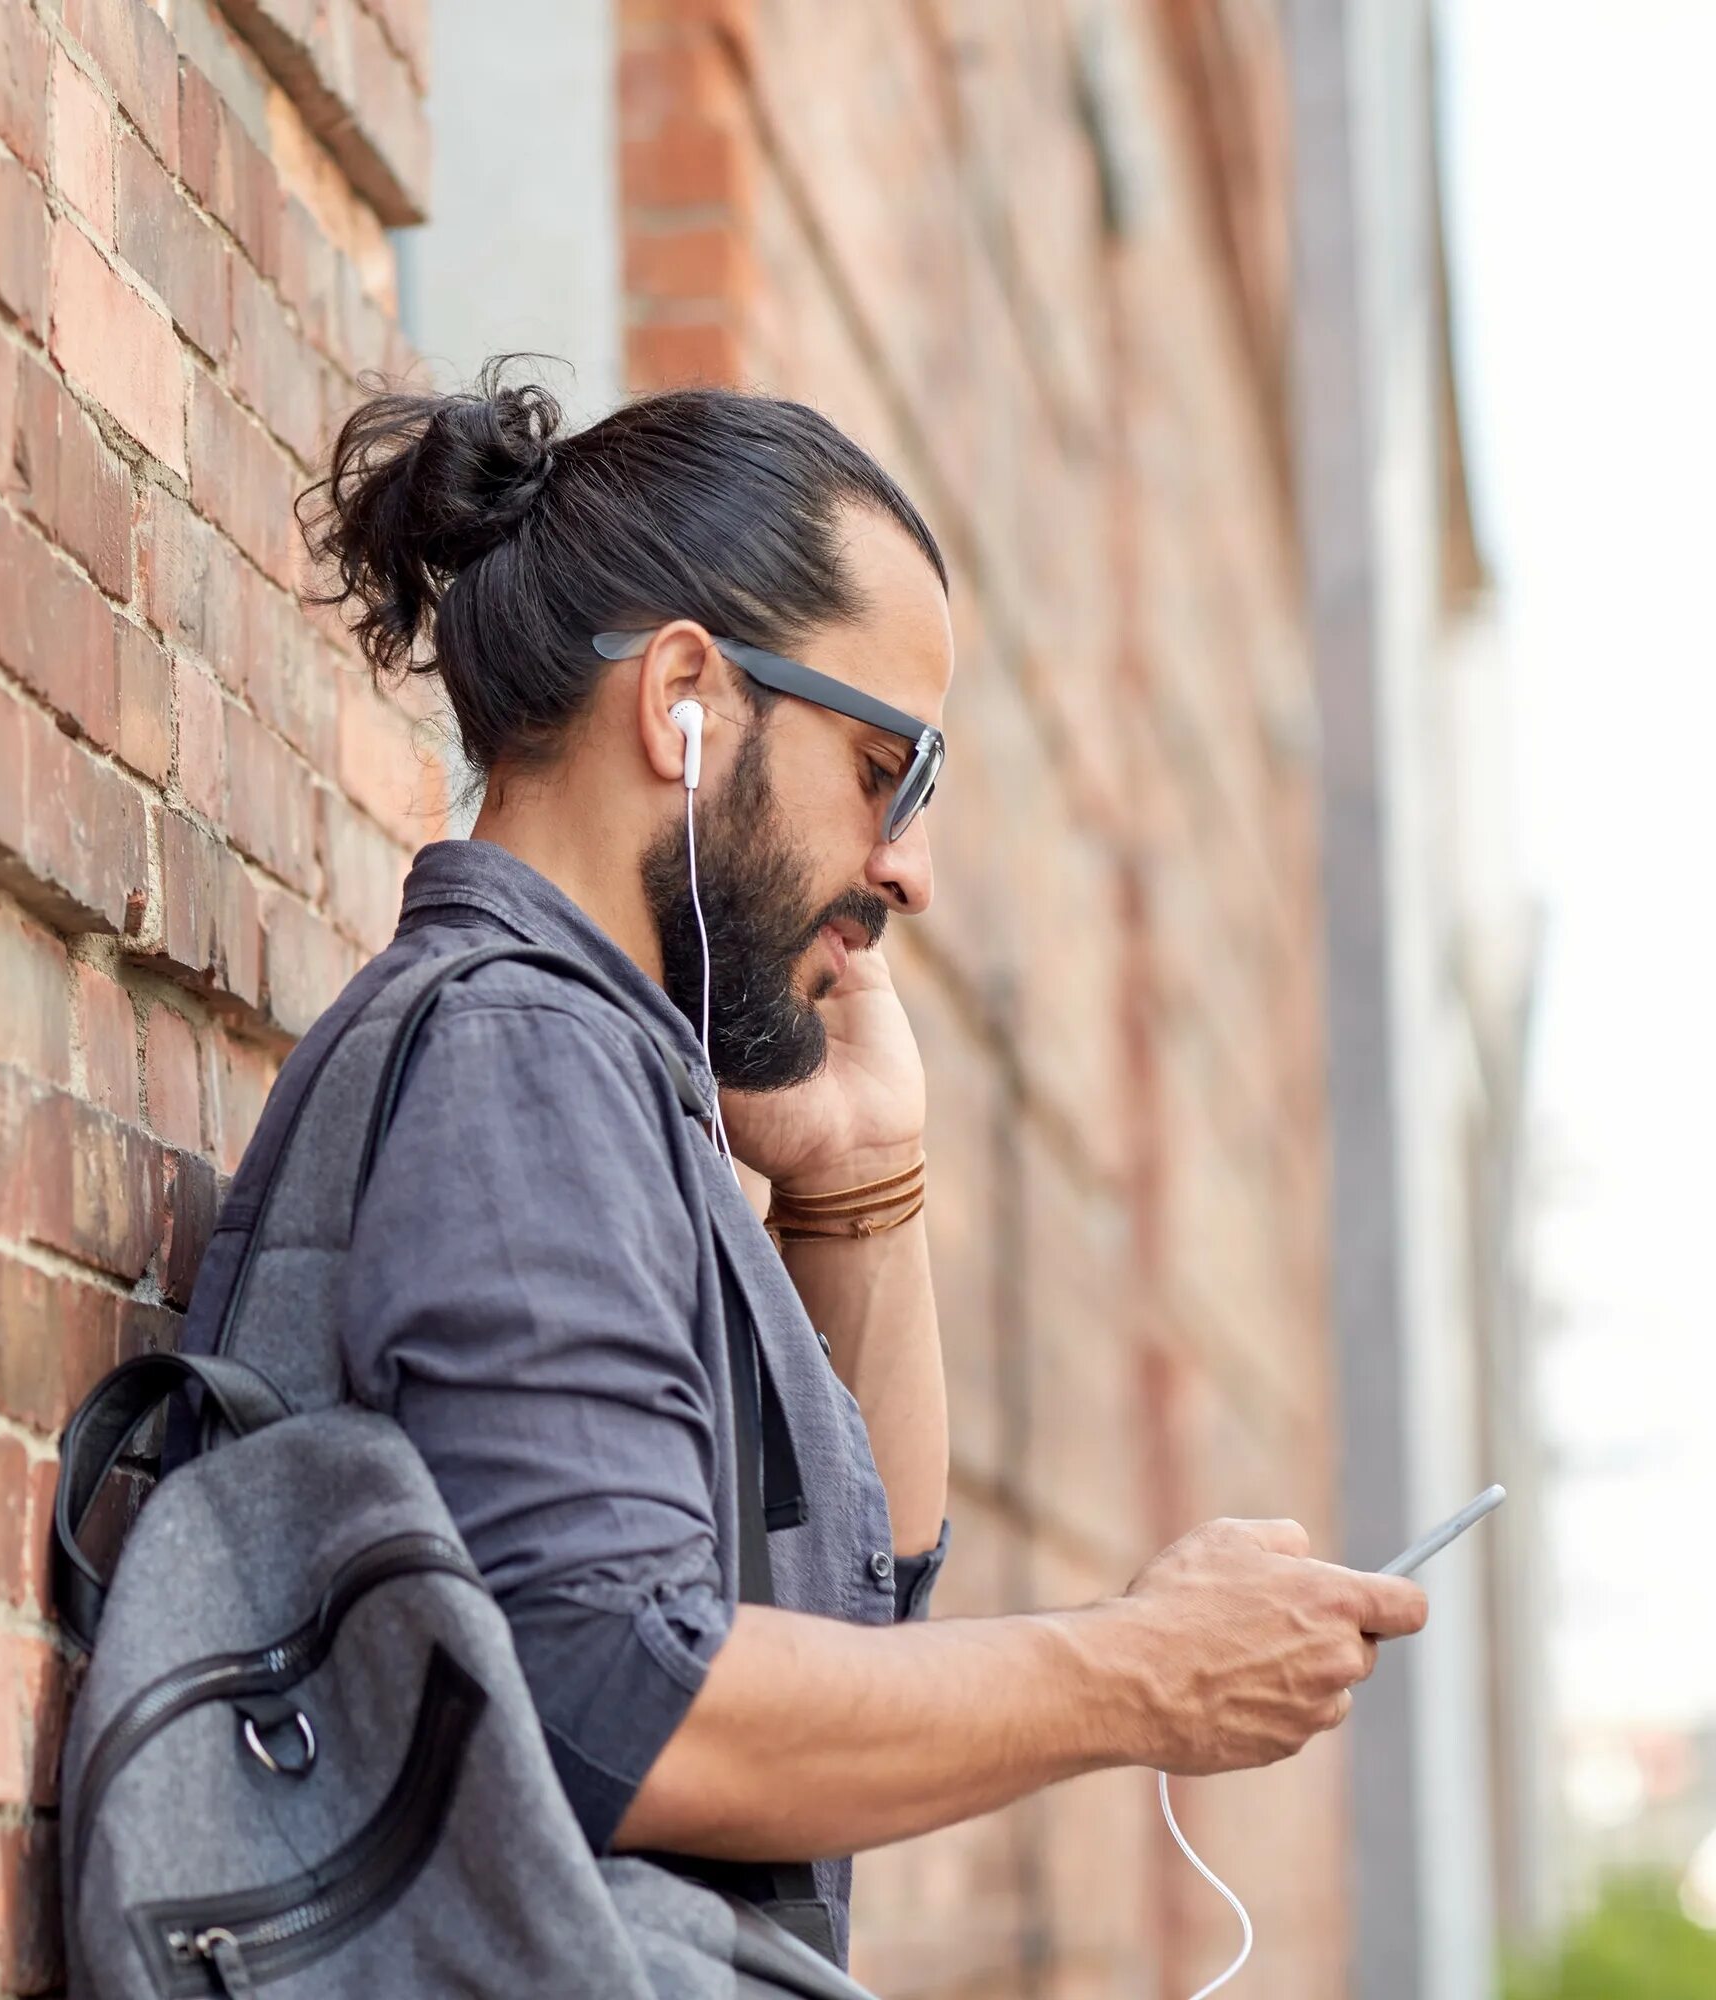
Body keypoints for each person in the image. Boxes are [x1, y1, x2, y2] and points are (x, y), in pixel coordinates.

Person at [178, 359, 1428, 1964]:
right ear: (685, 700)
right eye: (881, 768)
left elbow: (845, 1629)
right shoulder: (525, 1053)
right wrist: (1138, 1671)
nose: (907, 866)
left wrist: (858, 1183)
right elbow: (624, 1703)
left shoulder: (602, 1068)